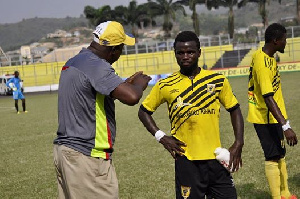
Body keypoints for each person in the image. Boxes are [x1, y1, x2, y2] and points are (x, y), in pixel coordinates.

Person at [138, 31, 244, 199]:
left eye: (190, 52)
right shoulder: (165, 85)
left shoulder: (217, 80)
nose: (185, 56)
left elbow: (234, 108)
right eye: (180, 53)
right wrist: (162, 137)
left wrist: (238, 142)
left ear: (199, 53)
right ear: (175, 54)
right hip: (186, 161)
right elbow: (143, 112)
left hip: (216, 159)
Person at [53, 21, 151, 199]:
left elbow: (90, 97)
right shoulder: (96, 65)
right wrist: (139, 84)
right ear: (114, 49)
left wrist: (122, 85)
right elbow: (132, 97)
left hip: (66, 152)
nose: (121, 53)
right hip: (87, 156)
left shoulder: (75, 61)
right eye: (121, 48)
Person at [247, 23, 298, 199]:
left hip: (276, 117)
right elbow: (268, 97)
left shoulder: (268, 58)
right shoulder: (262, 63)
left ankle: (285, 193)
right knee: (272, 156)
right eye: (284, 40)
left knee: (280, 154)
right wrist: (286, 127)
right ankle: (277, 197)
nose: (286, 43)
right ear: (276, 41)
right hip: (265, 117)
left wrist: (284, 121)